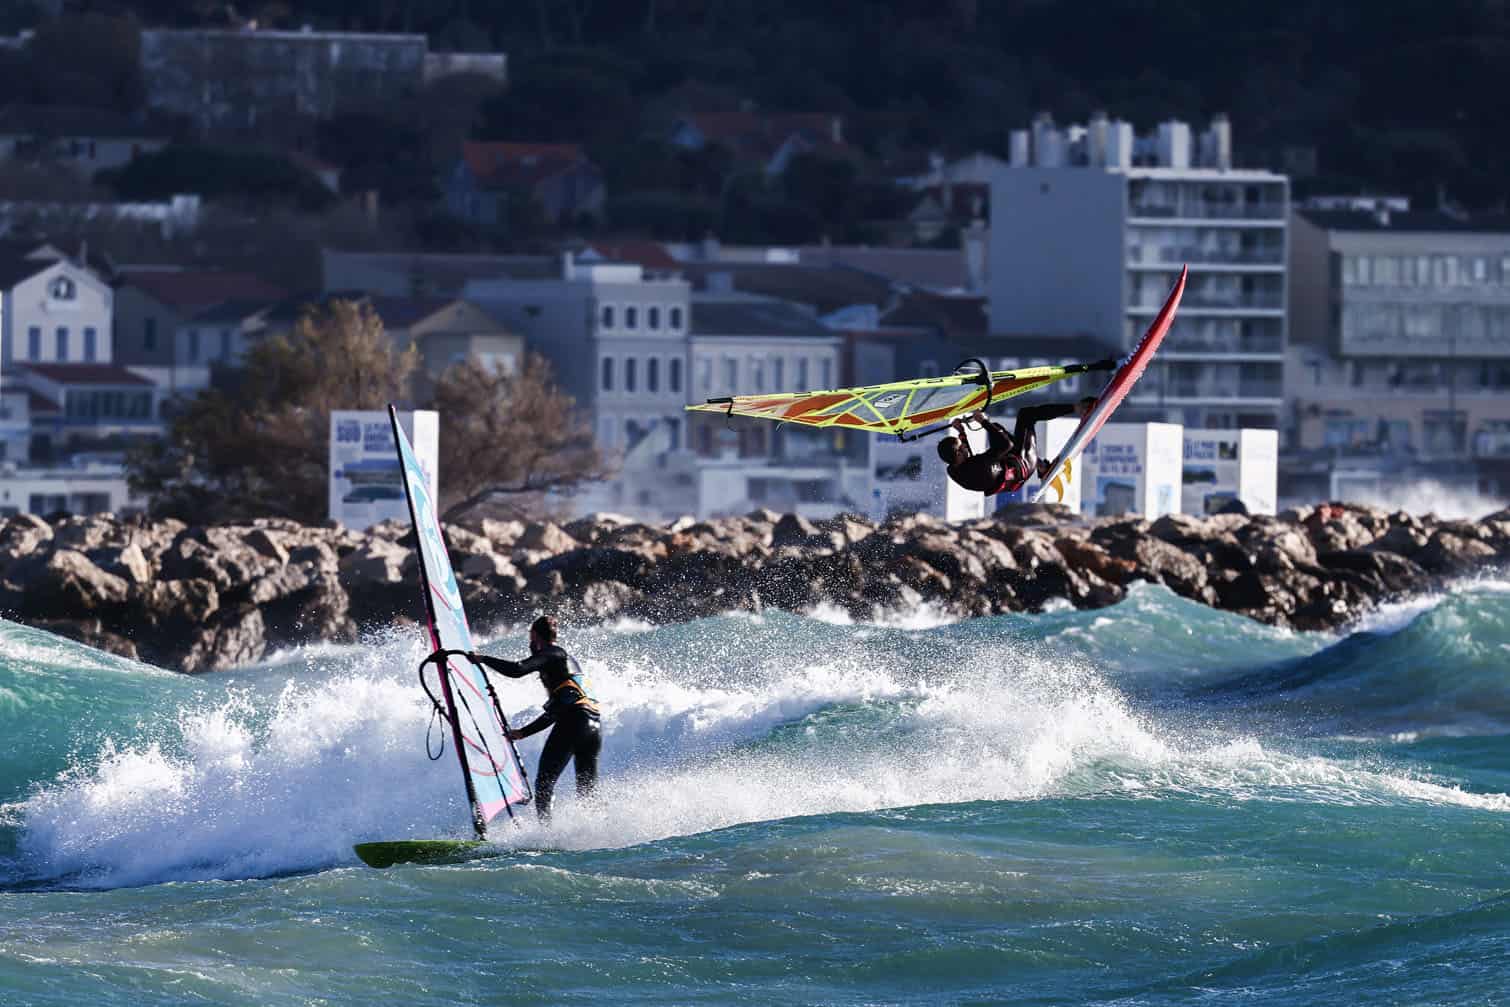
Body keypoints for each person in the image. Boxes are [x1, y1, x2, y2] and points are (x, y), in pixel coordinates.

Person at [467, 615, 600, 823]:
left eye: (531, 638)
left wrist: (482, 659)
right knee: (586, 790)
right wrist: (522, 733)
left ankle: (545, 833)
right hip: (592, 727)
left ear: (535, 636)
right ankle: (594, 830)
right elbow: (558, 712)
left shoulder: (552, 653)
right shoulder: (566, 664)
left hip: (574, 723)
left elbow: (517, 669)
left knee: (544, 783)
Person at [937, 397, 1097, 496]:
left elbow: (969, 460)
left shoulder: (954, 469)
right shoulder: (980, 465)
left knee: (997, 428)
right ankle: (1079, 408)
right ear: (957, 454)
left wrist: (962, 433)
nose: (965, 448)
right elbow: (1007, 444)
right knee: (1026, 415)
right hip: (1024, 463)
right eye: (961, 448)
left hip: (1011, 473)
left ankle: (1041, 468)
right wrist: (983, 421)